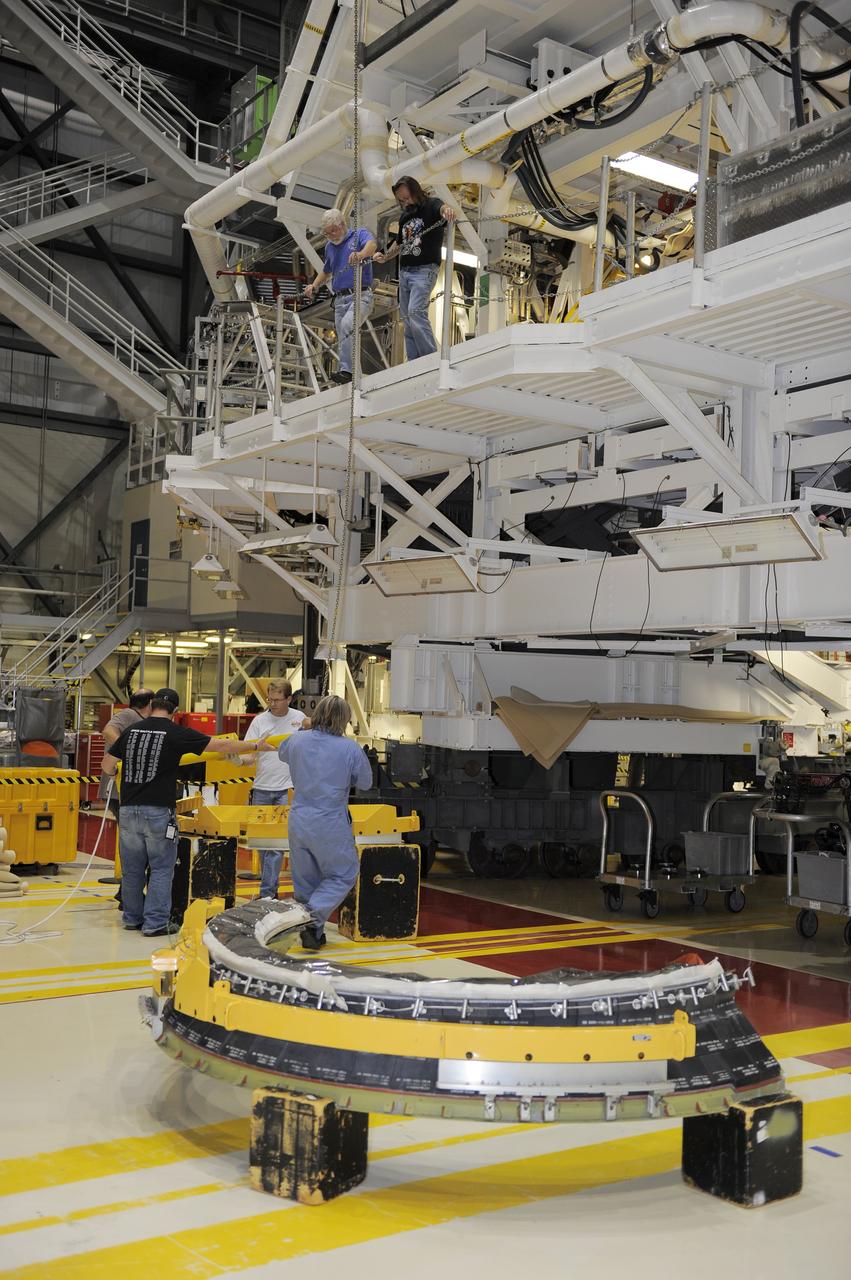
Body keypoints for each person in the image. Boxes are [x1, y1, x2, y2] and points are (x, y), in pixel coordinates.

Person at [102, 687, 275, 937]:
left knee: (132, 869)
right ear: (175, 711)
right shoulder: (176, 733)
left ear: (151, 706)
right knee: (161, 868)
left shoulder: (130, 731)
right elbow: (220, 745)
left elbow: (108, 765)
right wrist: (255, 746)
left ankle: (131, 918)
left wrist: (121, 774)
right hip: (159, 812)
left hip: (129, 810)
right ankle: (155, 923)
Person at [276, 694, 373, 951]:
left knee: (305, 880)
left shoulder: (296, 741)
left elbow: (282, 754)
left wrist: (306, 729)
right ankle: (311, 920)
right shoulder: (349, 748)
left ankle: (314, 934)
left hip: (299, 820)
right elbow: (366, 782)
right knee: (344, 873)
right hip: (329, 820)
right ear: (344, 720)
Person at [373, 176, 456, 362]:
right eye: (401, 200)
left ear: (416, 192)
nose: (405, 203)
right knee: (407, 320)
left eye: (407, 198)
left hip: (424, 270)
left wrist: (448, 211)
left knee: (415, 312)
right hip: (405, 272)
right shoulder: (405, 216)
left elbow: (442, 209)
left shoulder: (431, 205)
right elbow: (399, 243)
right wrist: (384, 255)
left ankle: (429, 359)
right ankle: (414, 361)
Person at [240, 679, 308, 899]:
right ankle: (268, 889)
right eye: (270, 699)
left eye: (278, 700)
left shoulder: (299, 720)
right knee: (262, 845)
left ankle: (268, 892)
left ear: (289, 698)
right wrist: (243, 757)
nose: (273, 704)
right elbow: (248, 755)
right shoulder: (260, 721)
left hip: (286, 789)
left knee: (276, 845)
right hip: (261, 789)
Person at [303, 208, 376, 384]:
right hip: (340, 299)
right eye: (327, 233)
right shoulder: (329, 247)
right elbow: (327, 271)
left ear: (342, 225)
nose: (331, 236)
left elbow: (372, 245)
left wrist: (361, 254)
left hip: (360, 294)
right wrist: (314, 285)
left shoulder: (359, 235)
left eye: (333, 231)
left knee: (347, 325)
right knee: (344, 334)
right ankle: (353, 375)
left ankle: (346, 371)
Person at [98, 688, 154, 815]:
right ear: (151, 703)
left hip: (131, 791)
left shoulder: (143, 721)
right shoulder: (129, 714)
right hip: (119, 790)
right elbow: (108, 732)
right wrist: (131, 752)